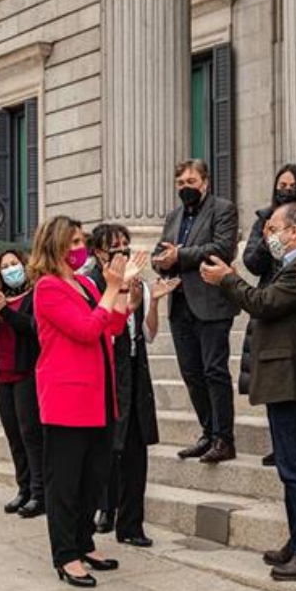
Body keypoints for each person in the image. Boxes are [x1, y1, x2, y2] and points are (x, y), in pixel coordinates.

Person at [200, 203, 296, 581]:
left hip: (294, 379)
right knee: (290, 467)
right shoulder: (291, 265)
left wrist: (228, 277)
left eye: (273, 228)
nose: (266, 234)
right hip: (283, 378)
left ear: (294, 231)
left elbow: (264, 303)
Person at [30, 214, 148, 588]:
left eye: (82, 242)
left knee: (94, 478)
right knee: (65, 483)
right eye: (75, 243)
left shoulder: (84, 284)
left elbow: (110, 328)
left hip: (99, 397)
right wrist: (112, 289)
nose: (80, 250)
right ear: (56, 246)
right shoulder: (48, 288)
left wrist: (125, 291)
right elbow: (84, 330)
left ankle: (84, 541)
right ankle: (66, 555)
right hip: (67, 400)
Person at [87, 222, 181, 545]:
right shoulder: (93, 285)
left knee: (135, 454)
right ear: (99, 253)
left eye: (126, 246)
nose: (123, 253)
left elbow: (149, 334)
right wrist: (120, 293)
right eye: (115, 248)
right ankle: (104, 508)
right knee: (108, 448)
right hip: (108, 373)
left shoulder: (139, 283)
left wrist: (152, 303)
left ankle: (131, 525)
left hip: (135, 373)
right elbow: (101, 328)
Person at [241, 164, 296, 469]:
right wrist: (269, 241)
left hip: (290, 306)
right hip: (273, 299)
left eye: (292, 184)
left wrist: (227, 278)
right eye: (281, 183)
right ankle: (290, 448)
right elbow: (252, 261)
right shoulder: (265, 221)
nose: (286, 188)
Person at [153, 159, 241, 464]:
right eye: (180, 183)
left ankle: (224, 439)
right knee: (191, 373)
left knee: (214, 371)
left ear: (205, 183)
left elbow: (222, 248)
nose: (185, 188)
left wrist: (179, 256)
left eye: (191, 182)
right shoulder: (173, 216)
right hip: (179, 304)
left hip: (212, 302)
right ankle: (207, 432)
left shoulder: (223, 209)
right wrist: (160, 261)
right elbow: (158, 252)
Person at [0, 248, 45, 518]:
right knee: (14, 435)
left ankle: (40, 493)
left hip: (26, 373)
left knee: (31, 435)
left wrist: (7, 313)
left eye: (15, 264)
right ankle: (24, 489)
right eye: (5, 266)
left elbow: (33, 327)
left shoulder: (35, 295)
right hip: (2, 375)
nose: (10, 269)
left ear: (25, 266)